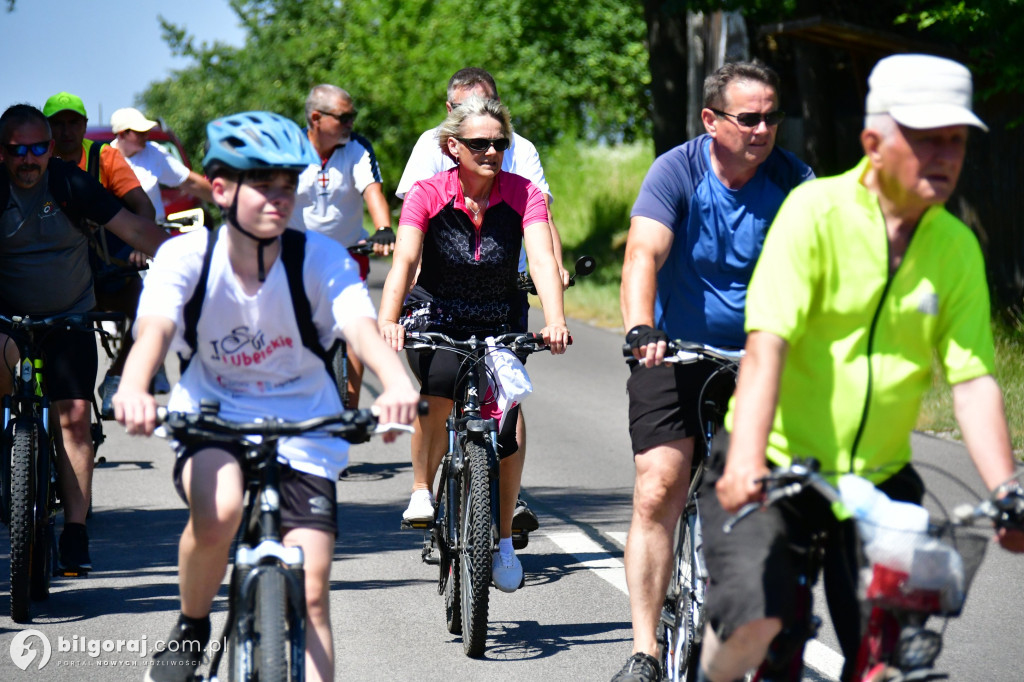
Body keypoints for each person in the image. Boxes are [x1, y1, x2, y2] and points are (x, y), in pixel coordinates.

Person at [697, 54, 1024, 682]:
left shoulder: (954, 246)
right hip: (774, 467)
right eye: (926, 139)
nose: (945, 155)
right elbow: (769, 344)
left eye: (956, 141)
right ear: (873, 142)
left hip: (880, 482)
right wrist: (744, 461)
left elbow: (974, 377)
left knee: (891, 657)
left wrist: (1006, 489)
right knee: (757, 626)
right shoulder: (813, 213)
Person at [113, 111, 420, 682]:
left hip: (306, 423)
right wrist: (134, 386)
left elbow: (360, 329)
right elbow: (152, 330)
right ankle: (192, 623)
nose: (279, 196)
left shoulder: (318, 257)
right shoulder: (188, 257)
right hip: (212, 416)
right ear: (222, 188)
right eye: (262, 183)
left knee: (313, 592)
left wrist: (397, 382)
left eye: (288, 183)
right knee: (221, 509)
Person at [614, 60, 813, 682]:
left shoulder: (793, 180)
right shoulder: (678, 169)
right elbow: (644, 252)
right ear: (711, 120)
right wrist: (641, 327)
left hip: (761, 356)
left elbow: (822, 266)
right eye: (748, 118)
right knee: (658, 487)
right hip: (671, 351)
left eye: (771, 118)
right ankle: (646, 652)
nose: (762, 130)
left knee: (768, 498)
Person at [378, 95, 570, 592]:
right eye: (479, 144)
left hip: (499, 312)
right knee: (439, 383)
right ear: (453, 147)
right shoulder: (426, 193)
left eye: (499, 143)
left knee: (505, 415)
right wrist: (388, 319)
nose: (490, 152)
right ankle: (423, 489)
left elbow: (543, 259)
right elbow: (403, 262)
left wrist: (556, 318)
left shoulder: (524, 193)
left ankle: (503, 540)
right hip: (436, 310)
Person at [0, 104, 168, 574]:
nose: (29, 159)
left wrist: (200, 266)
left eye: (38, 148)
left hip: (68, 317)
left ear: (51, 148)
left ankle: (74, 530)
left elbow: (136, 227)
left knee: (73, 417)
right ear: (4, 153)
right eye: (18, 151)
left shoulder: (69, 183)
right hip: (7, 321)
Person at [43, 92, 160, 414]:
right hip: (52, 268)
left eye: (72, 123)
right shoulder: (30, 158)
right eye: (57, 124)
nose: (66, 131)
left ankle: (118, 374)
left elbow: (142, 207)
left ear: (83, 126)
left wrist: (139, 246)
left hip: (103, 262)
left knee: (147, 313)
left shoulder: (104, 157)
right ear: (46, 128)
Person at [290, 84, 395, 410]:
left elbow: (373, 192)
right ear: (316, 118)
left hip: (347, 253)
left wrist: (383, 229)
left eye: (353, 116)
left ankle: (349, 411)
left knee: (356, 328)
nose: (351, 123)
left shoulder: (356, 148)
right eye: (344, 117)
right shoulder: (289, 148)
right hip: (297, 255)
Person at [109, 106, 212, 222]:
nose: (146, 135)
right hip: (121, 235)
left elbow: (189, 182)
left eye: (146, 131)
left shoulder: (154, 152)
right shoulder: (106, 159)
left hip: (154, 231)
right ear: (122, 134)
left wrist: (226, 199)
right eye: (140, 132)